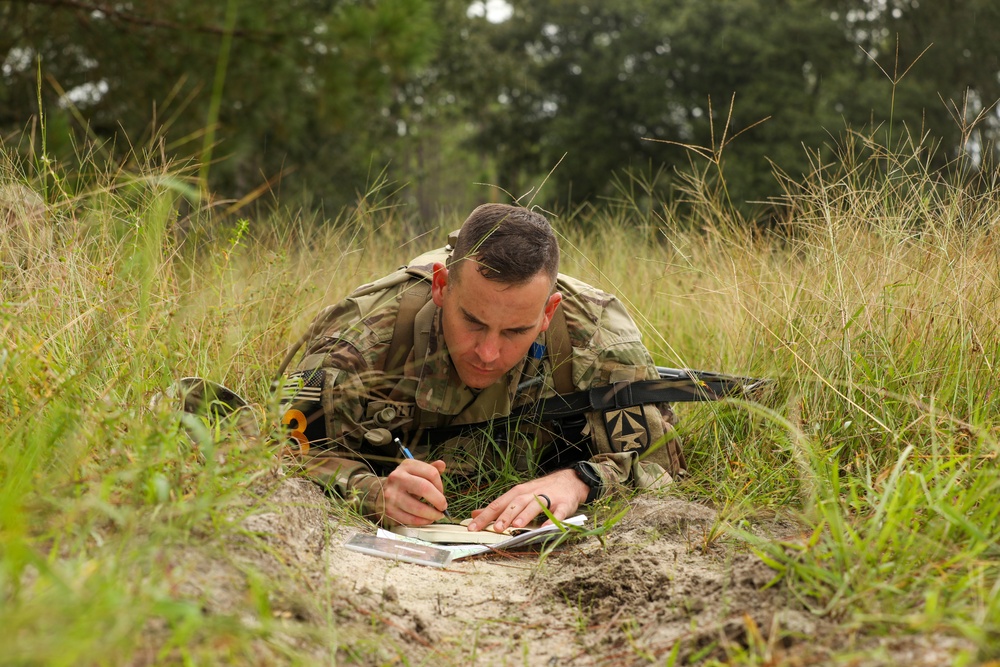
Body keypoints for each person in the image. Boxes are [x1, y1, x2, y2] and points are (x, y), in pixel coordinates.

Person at [277, 204, 684, 532]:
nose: (489, 352)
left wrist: (580, 480)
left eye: (515, 331)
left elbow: (660, 464)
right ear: (441, 287)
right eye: (472, 321)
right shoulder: (362, 340)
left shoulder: (598, 338)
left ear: (548, 312)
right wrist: (371, 490)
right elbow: (282, 451)